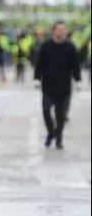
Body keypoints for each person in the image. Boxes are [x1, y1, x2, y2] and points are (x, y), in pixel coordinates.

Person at [34, 21, 81, 150]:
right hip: (48, 85)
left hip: (64, 86)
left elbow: (75, 65)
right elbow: (40, 64)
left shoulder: (70, 47)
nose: (62, 32)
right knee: (46, 111)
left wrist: (78, 80)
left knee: (61, 115)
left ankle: (58, 139)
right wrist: (37, 78)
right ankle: (51, 133)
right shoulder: (46, 46)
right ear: (54, 31)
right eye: (59, 29)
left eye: (63, 30)